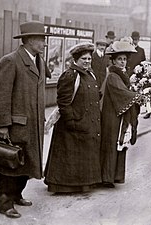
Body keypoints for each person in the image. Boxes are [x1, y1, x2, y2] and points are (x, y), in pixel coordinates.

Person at [0, 21, 50, 218]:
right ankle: (4, 203)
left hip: (33, 123)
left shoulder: (39, 61)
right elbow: (0, 95)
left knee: (27, 163)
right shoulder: (10, 61)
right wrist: (2, 125)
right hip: (17, 125)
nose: (44, 43)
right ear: (29, 40)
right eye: (41, 39)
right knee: (11, 164)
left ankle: (17, 195)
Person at [44, 42, 102, 193]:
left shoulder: (90, 73)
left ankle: (83, 184)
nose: (88, 61)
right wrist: (70, 121)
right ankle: (64, 185)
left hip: (86, 122)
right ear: (76, 59)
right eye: (84, 59)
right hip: (72, 124)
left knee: (82, 155)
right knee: (69, 155)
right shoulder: (70, 75)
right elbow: (63, 101)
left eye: (89, 59)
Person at [100, 40, 144, 188]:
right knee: (112, 143)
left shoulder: (121, 74)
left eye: (124, 59)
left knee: (119, 143)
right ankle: (107, 177)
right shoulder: (113, 76)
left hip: (119, 113)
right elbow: (121, 93)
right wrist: (136, 96)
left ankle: (114, 175)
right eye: (119, 59)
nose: (122, 62)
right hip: (112, 115)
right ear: (113, 60)